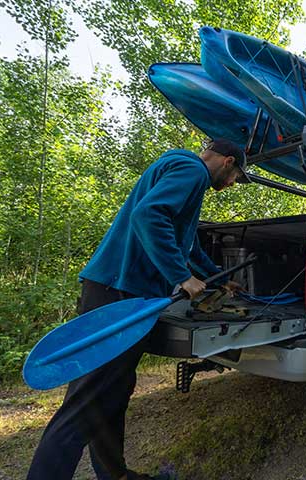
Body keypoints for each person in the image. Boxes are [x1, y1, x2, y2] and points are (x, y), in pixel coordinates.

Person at [27, 138, 250, 480]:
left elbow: (183, 244)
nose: (232, 184)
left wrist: (217, 280)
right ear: (228, 162)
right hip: (118, 293)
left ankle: (115, 475)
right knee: (88, 401)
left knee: (113, 393)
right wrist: (181, 278)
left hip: (119, 291)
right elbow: (150, 214)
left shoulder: (182, 173)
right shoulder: (191, 170)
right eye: (236, 176)